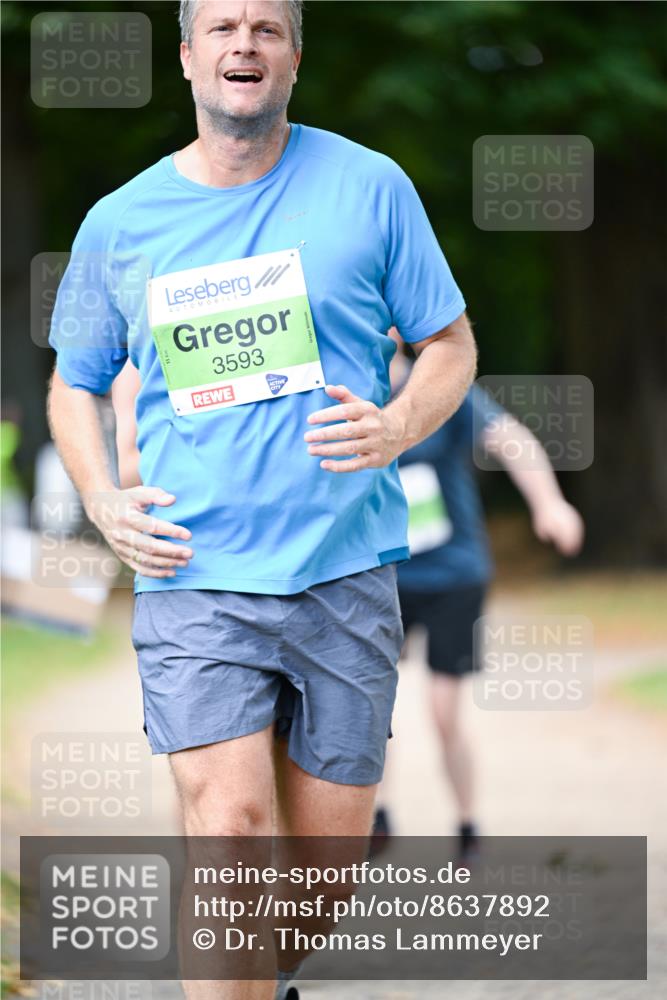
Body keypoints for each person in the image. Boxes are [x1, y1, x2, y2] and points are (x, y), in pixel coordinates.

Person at [45, 2, 477, 998]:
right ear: (189, 55)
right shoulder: (119, 223)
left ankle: (265, 976)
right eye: (225, 27)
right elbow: (75, 380)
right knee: (229, 833)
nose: (246, 44)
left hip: (344, 571)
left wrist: (397, 425)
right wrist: (105, 500)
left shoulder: (370, 187)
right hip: (195, 575)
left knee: (324, 879)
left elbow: (449, 345)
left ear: (293, 55)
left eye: (268, 28)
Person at [371, 334, 584, 861]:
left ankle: (467, 822)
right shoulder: (346, 391)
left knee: (444, 712)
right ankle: (375, 818)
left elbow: (510, 439)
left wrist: (549, 504)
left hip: (452, 576)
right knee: (373, 708)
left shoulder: (440, 388)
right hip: (381, 577)